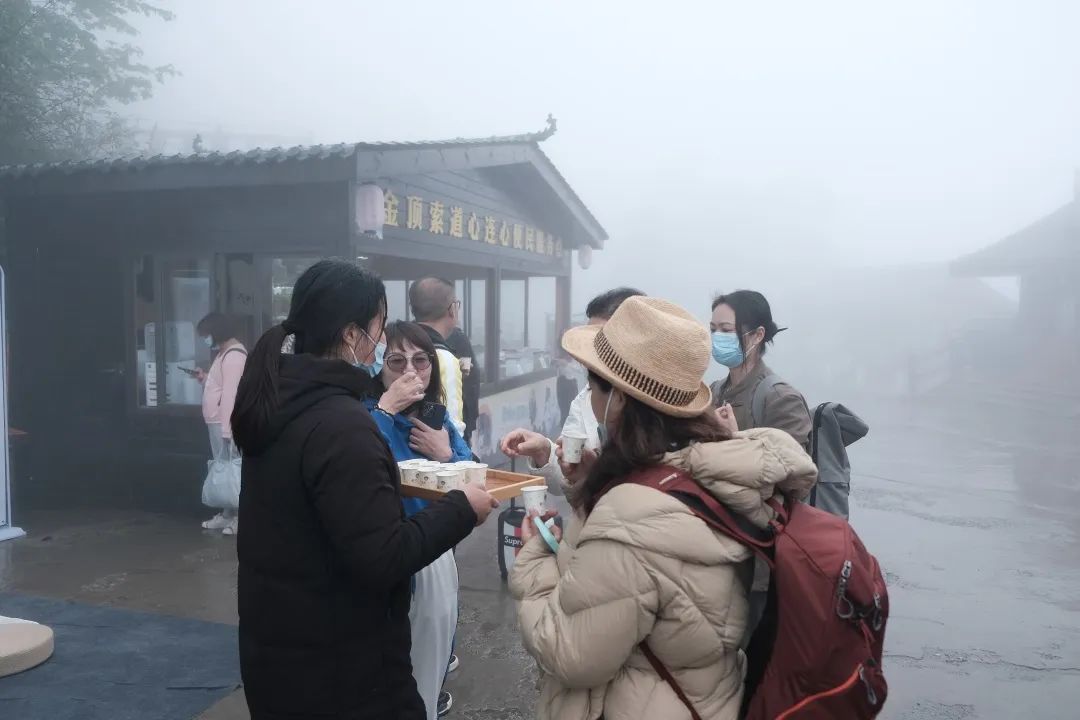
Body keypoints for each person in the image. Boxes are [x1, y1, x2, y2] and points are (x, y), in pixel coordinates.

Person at [509, 296, 816, 720]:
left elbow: (569, 653)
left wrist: (534, 561)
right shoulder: (701, 467)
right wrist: (599, 485)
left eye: (592, 382)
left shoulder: (632, 518)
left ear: (617, 397)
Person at [231, 260, 498, 720]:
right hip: (342, 670)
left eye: (420, 359)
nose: (398, 361)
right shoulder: (344, 423)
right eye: (380, 333)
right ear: (354, 336)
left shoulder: (281, 402)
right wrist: (461, 508)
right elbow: (383, 556)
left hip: (281, 649)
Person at [363, 321, 472, 720]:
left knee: (432, 656)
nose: (411, 370)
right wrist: (385, 410)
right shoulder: (364, 415)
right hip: (387, 557)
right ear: (380, 368)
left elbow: (476, 478)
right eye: (397, 360)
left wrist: (447, 455)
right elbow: (355, 467)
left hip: (436, 550)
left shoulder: (437, 419)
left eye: (421, 360)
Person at [500, 287, 644, 501]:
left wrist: (598, 474)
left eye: (602, 341)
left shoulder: (667, 410)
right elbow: (568, 476)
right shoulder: (586, 399)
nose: (593, 352)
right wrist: (544, 451)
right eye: (590, 341)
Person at [709, 290, 812, 448]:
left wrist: (734, 440)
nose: (717, 337)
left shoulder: (781, 399)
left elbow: (793, 468)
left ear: (758, 335)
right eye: (713, 330)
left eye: (727, 330)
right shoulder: (713, 392)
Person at [195, 313, 247, 535]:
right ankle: (227, 514)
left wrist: (228, 429)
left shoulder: (234, 356)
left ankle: (240, 517)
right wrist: (206, 379)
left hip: (225, 424)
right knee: (223, 468)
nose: (205, 339)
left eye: (206, 334)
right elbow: (220, 386)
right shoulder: (223, 354)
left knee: (234, 470)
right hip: (217, 422)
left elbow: (230, 395)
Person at [409, 277, 466, 437]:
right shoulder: (444, 358)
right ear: (452, 309)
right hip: (435, 454)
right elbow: (454, 427)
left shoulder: (397, 349)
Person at [445, 325, 480, 445]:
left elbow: (466, 371)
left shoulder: (413, 334)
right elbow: (467, 372)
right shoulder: (458, 338)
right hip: (458, 415)